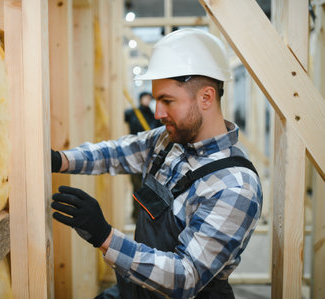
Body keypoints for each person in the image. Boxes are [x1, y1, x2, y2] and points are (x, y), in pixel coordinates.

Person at [51, 28, 262, 299]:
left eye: (167, 101)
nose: (157, 113)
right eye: (156, 99)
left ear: (206, 98)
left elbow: (186, 277)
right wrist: (60, 160)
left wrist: (104, 236)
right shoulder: (167, 140)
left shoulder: (235, 185)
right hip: (137, 288)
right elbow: (115, 153)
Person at [124, 92, 162, 220]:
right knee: (136, 186)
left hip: (149, 156)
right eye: (144, 98)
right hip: (135, 155)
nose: (146, 100)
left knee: (148, 187)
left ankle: (146, 216)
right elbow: (127, 118)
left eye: (148, 98)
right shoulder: (133, 114)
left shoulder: (152, 116)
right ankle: (136, 215)